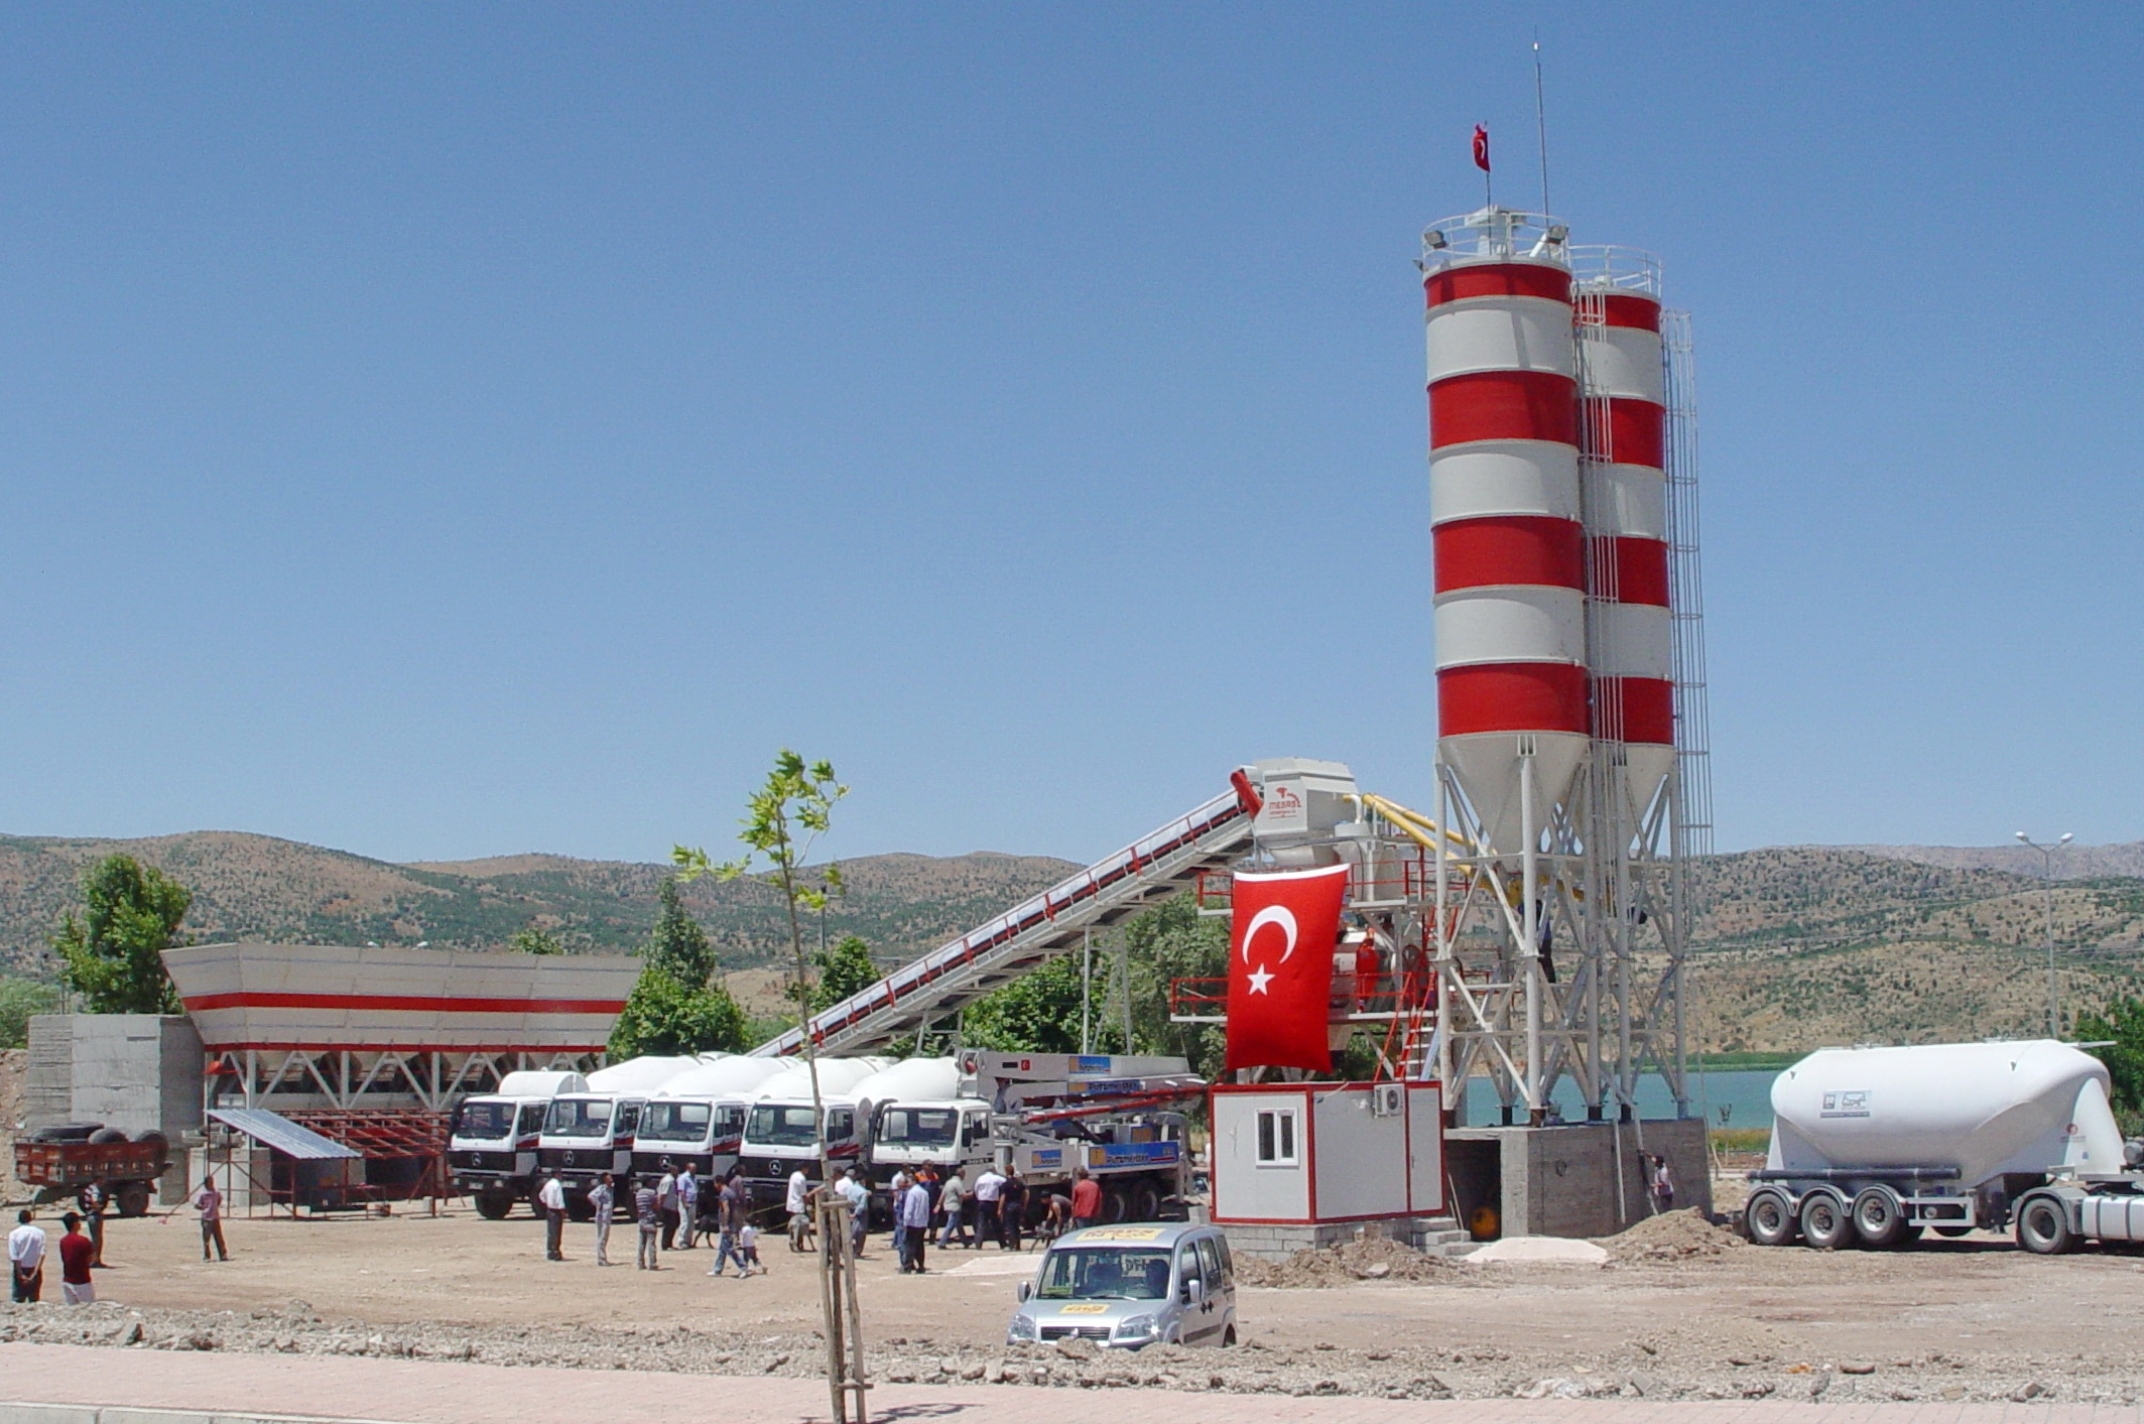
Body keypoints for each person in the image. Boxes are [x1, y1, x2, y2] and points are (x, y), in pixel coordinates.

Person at [709, 1172, 748, 1278]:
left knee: (729, 1248)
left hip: (728, 1224)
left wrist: (725, 1224)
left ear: (718, 1183)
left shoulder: (724, 1194)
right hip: (733, 1222)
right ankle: (717, 1269)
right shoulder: (731, 1192)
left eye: (715, 1183)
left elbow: (726, 1209)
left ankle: (743, 1267)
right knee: (722, 1248)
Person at [8, 1209, 45, 1303]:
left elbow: (14, 1257)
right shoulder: (40, 1233)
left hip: (20, 1268)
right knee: (34, 1300)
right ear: (30, 1218)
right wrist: (34, 1274)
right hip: (34, 1268)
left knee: (17, 1300)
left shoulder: (14, 1234)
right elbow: (41, 1254)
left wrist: (20, 1274)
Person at [57, 1213, 94, 1304]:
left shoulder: (63, 1241)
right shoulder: (83, 1240)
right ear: (75, 1224)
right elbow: (91, 1258)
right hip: (82, 1280)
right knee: (87, 1306)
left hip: (67, 1279)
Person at [898, 1173, 931, 1274]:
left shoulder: (912, 1193)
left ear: (913, 1181)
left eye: (908, 1181)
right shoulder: (924, 1192)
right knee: (920, 1245)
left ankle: (907, 1266)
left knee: (910, 1245)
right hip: (922, 1222)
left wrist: (905, 1222)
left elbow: (909, 1209)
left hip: (913, 1222)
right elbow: (926, 1209)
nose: (907, 1184)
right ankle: (921, 1266)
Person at [193, 1175, 230, 1262]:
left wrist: (214, 1207)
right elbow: (196, 1205)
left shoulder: (216, 1192)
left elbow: (219, 1200)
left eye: (212, 1182)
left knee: (219, 1237)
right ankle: (207, 1256)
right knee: (206, 1239)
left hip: (215, 1218)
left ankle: (223, 1255)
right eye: (210, 1182)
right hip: (206, 1219)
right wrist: (205, 1208)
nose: (212, 1184)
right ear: (206, 1183)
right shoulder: (202, 1193)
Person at [834, 1168, 869, 1257]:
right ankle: (857, 1251)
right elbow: (861, 1205)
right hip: (860, 1213)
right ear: (862, 1181)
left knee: (849, 1230)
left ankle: (845, 1249)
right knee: (861, 1232)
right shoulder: (863, 1192)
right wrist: (856, 1213)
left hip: (849, 1209)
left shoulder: (850, 1188)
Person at [971, 1165, 1004, 1249]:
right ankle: (1002, 1243)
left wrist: (980, 1198)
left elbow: (975, 1190)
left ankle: (978, 1244)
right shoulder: (996, 1178)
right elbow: (1006, 1182)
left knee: (981, 1224)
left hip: (982, 1202)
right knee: (996, 1224)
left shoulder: (980, 1178)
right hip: (993, 1203)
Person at [538, 1172, 568, 1261]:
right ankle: (555, 1252)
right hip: (556, 1211)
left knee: (550, 1232)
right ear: (557, 1175)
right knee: (556, 1232)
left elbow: (541, 1195)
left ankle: (550, 1251)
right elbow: (559, 1199)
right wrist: (563, 1211)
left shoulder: (548, 1184)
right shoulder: (557, 1185)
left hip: (549, 1210)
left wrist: (547, 1203)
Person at [587, 1173, 615, 1266]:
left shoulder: (611, 1189)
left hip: (607, 1217)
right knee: (602, 1237)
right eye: (609, 1178)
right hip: (602, 1216)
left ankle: (602, 1257)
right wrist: (598, 1204)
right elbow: (591, 1196)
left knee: (605, 1237)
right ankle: (601, 1259)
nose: (611, 1179)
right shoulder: (602, 1188)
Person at [77, 1182, 107, 1268]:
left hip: (90, 1214)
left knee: (95, 1238)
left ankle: (94, 1260)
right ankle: (95, 1260)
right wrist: (98, 1208)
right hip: (95, 1215)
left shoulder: (88, 1189)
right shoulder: (95, 1190)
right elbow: (94, 1200)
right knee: (97, 1239)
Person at [634, 1176, 662, 1269]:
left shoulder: (638, 1193)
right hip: (650, 1219)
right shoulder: (652, 1192)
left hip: (641, 1219)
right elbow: (656, 1205)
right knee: (651, 1243)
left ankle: (640, 1263)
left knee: (641, 1243)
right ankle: (652, 1263)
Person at [937, 1169, 968, 1249]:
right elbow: (963, 1195)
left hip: (947, 1205)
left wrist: (939, 1204)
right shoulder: (957, 1183)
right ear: (961, 1174)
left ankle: (965, 1242)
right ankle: (942, 1243)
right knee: (950, 1225)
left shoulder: (949, 1182)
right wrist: (974, 1194)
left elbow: (943, 1194)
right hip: (955, 1206)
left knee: (959, 1226)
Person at [997, 1168, 1026, 1253]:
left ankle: (1011, 1245)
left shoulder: (1005, 1184)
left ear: (1006, 1172)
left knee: (1010, 1226)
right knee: (1017, 1226)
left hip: (1009, 1206)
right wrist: (1024, 1204)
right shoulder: (1019, 1183)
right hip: (1018, 1205)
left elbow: (1003, 1197)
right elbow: (1026, 1193)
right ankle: (1018, 1246)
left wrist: (999, 1209)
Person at [785, 1167, 813, 1253]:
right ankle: (799, 1244)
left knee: (794, 1226)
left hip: (791, 1204)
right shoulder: (801, 1178)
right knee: (800, 1226)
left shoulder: (793, 1175)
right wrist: (808, 1201)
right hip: (798, 1205)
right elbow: (803, 1194)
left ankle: (794, 1242)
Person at [656, 1162, 680, 1251]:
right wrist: (660, 1205)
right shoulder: (668, 1181)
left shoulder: (673, 1180)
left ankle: (670, 1243)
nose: (678, 1172)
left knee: (673, 1225)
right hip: (667, 1207)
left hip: (673, 1206)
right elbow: (663, 1194)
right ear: (672, 1171)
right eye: (676, 1171)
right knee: (668, 1226)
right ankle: (665, 1245)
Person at [1070, 1166, 1102, 1231]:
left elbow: (1074, 1203)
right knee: (1091, 1231)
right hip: (1093, 1213)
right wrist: (1098, 1212)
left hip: (1080, 1214)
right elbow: (1099, 1200)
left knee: (1082, 1232)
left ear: (1079, 1176)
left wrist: (1072, 1216)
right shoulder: (1095, 1186)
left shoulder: (1078, 1187)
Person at [676, 1164, 699, 1248]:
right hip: (685, 1202)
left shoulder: (694, 1177)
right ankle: (681, 1241)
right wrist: (684, 1202)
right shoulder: (683, 1178)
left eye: (695, 1169)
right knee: (685, 1222)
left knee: (691, 1223)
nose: (695, 1170)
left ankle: (688, 1241)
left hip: (693, 1202)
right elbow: (681, 1192)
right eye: (693, 1169)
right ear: (688, 1168)